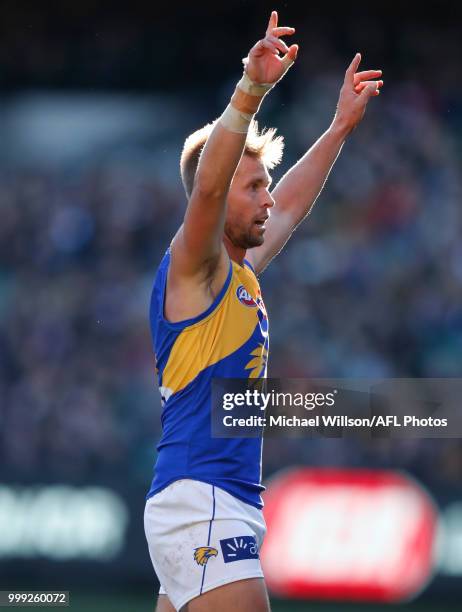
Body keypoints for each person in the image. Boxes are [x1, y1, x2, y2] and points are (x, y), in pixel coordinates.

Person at [144, 10, 383, 612]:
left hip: (209, 500)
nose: (267, 197)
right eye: (253, 186)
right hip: (206, 499)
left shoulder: (234, 273)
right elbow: (208, 189)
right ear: (221, 192)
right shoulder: (194, 263)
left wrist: (338, 128)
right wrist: (251, 91)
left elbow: (292, 207)